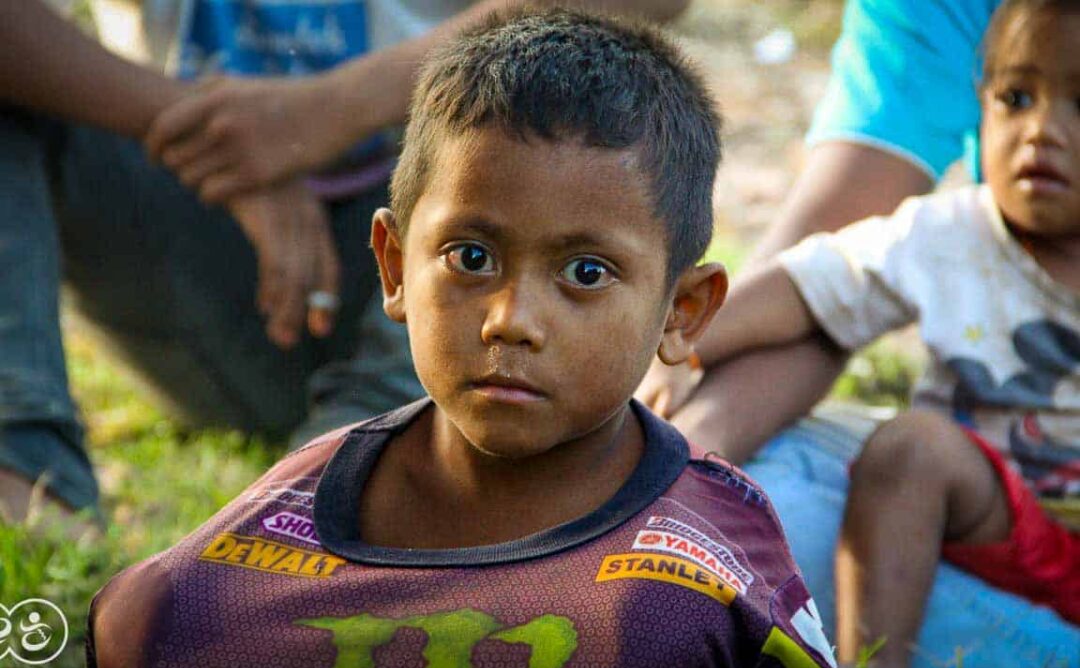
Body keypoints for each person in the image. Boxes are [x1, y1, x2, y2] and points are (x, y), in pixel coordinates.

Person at [86, 10, 840, 668]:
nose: (511, 319)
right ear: (394, 267)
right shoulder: (254, 555)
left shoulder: (700, 584)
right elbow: (146, 621)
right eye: (471, 258)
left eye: (586, 271)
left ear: (682, 311)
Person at [0, 0, 684, 525]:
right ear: (393, 262)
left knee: (604, 160)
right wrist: (212, 137)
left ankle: (341, 473)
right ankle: (26, 473)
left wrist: (325, 112)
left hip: (429, 196)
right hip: (186, 222)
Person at [636, 0, 1080, 668]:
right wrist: (674, 336)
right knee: (909, 449)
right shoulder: (953, 234)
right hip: (993, 523)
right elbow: (812, 286)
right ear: (979, 103)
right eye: (1017, 97)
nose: (1041, 130)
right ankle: (872, 662)